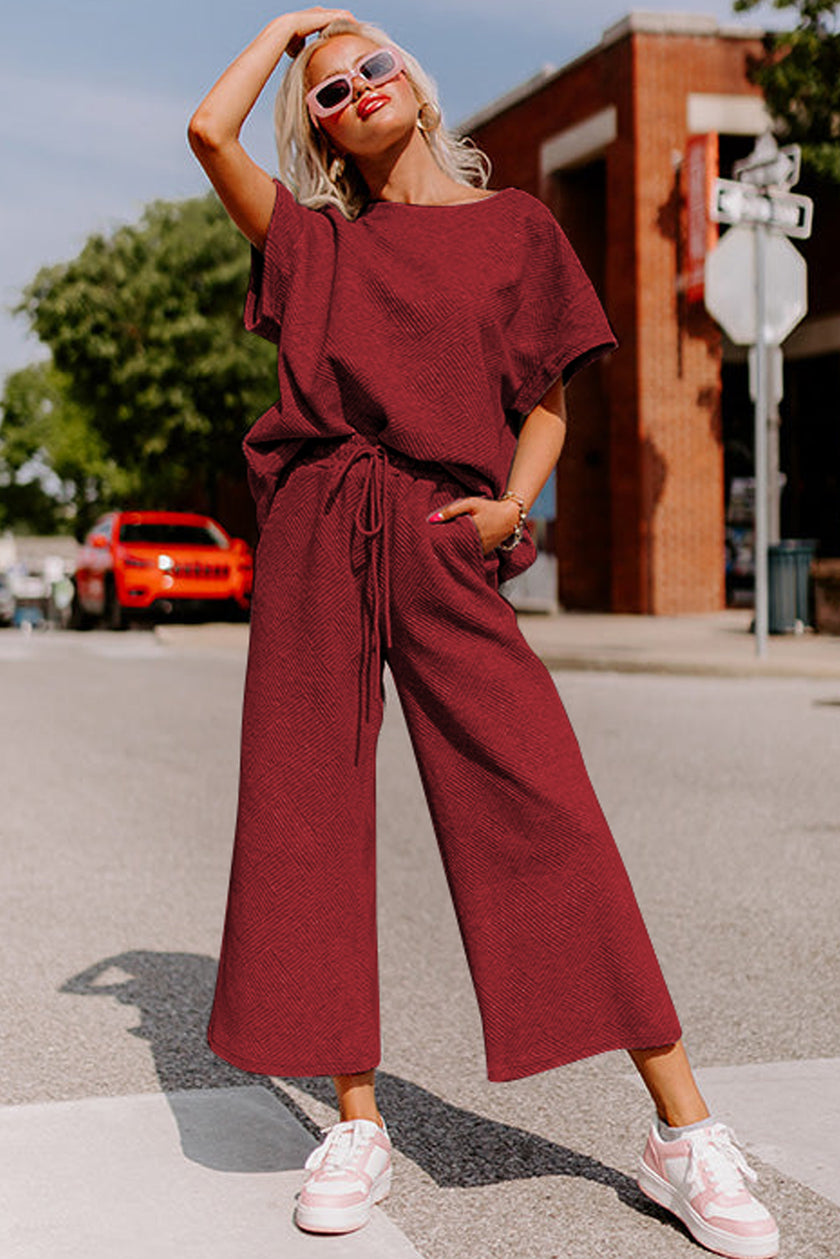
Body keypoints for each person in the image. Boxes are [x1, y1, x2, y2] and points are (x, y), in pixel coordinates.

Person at [188, 11, 779, 1256]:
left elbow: (549, 405)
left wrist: (510, 505)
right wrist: (291, 27)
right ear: (321, 130)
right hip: (320, 522)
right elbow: (205, 129)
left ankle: (681, 1127)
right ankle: (356, 1116)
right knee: (310, 811)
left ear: (414, 80)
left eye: (372, 65)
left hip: (446, 526)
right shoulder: (316, 242)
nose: (354, 88)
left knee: (542, 798)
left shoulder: (518, 227)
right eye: (330, 90)